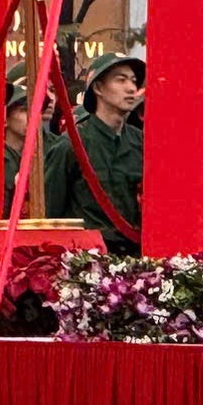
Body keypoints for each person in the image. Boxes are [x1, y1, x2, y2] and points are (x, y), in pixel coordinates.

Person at [46, 52, 143, 254]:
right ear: (98, 88)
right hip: (86, 260)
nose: (131, 88)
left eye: (134, 81)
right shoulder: (72, 144)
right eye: (121, 80)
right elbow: (51, 215)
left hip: (134, 258)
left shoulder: (141, 143)